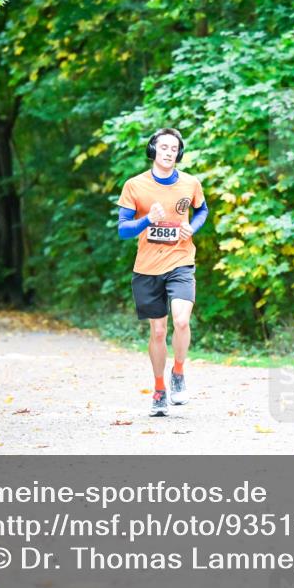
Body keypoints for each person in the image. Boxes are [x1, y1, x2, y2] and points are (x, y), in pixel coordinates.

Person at [116, 128, 209, 416]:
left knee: (181, 321)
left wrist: (191, 228)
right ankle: (159, 389)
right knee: (158, 331)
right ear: (153, 149)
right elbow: (122, 229)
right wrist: (147, 220)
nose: (169, 152)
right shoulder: (134, 185)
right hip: (147, 267)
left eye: (174, 148)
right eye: (164, 147)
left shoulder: (190, 183)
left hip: (181, 260)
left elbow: (202, 210)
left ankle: (178, 372)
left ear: (179, 154)